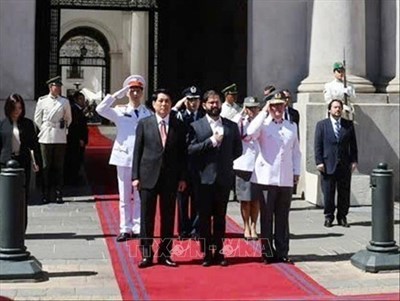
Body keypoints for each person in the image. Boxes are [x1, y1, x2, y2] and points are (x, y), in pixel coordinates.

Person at [132, 89, 187, 269]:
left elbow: (182, 155)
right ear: (154, 104)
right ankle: (147, 255)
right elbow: (137, 152)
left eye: (167, 101)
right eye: (160, 101)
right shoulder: (144, 123)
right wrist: (135, 176)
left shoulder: (179, 125)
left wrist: (182, 178)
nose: (164, 104)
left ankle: (165, 254)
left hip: (170, 179)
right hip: (148, 177)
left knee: (168, 217)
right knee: (147, 218)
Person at [188, 90, 242, 267]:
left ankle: (219, 251)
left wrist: (224, 164)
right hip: (203, 180)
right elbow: (190, 150)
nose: (214, 105)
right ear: (204, 105)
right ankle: (206, 253)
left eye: (217, 102)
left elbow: (237, 150)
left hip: (223, 179)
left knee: (220, 217)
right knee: (204, 218)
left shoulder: (231, 126)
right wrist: (211, 142)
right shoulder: (196, 126)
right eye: (211, 102)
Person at [96, 75, 152, 242]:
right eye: (132, 90)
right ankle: (124, 228)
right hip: (123, 157)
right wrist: (116, 95)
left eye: (138, 90)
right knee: (124, 195)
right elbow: (100, 109)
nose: (135, 93)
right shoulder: (120, 111)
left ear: (142, 93)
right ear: (128, 92)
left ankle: (137, 226)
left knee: (139, 195)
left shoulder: (147, 113)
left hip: (141, 158)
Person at [247, 92, 301, 264]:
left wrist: (296, 172)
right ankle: (268, 253)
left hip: (285, 178)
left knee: (283, 217)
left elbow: (296, 151)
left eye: (280, 105)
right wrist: (263, 112)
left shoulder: (291, 126)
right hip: (266, 178)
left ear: (285, 106)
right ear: (269, 107)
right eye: (273, 105)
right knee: (267, 217)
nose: (277, 109)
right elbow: (250, 132)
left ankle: (283, 251)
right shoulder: (263, 124)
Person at [314, 99, 358, 228]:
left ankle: (342, 216)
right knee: (328, 192)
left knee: (344, 192)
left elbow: (353, 145)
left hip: (344, 163)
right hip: (328, 164)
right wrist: (319, 161)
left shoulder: (348, 125)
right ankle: (329, 216)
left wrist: (354, 160)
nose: (337, 110)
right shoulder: (322, 125)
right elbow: (318, 145)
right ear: (329, 110)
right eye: (335, 107)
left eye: (339, 107)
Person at [0, 93, 40, 230]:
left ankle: (21, 228)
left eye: (20, 108)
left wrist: (36, 162)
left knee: (22, 196)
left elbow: (34, 145)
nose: (17, 111)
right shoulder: (3, 124)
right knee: (6, 197)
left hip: (22, 163)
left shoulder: (28, 124)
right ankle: (6, 228)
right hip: (5, 164)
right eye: (14, 108)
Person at [173, 85, 205, 239]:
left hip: (200, 164)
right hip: (183, 164)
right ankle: (183, 229)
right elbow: (169, 116)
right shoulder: (180, 116)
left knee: (199, 199)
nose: (193, 103)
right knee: (182, 199)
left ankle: (196, 229)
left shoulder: (204, 116)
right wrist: (178, 104)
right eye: (190, 100)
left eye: (196, 100)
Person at [34, 76, 72, 204]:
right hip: (46, 136)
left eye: (60, 86)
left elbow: (68, 118)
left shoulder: (64, 102)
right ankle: (45, 193)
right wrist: (45, 128)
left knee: (59, 167)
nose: (59, 88)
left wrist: (61, 126)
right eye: (57, 86)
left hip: (59, 135)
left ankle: (58, 193)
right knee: (46, 166)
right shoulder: (42, 101)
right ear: (51, 87)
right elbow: (37, 119)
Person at [232, 96, 261, 240]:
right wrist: (241, 113)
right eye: (249, 108)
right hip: (243, 163)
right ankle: (246, 226)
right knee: (245, 198)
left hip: (258, 164)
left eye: (254, 108)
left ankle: (254, 226)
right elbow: (232, 127)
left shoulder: (261, 120)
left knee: (256, 199)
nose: (251, 111)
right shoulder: (240, 121)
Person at [64, 91, 88, 185]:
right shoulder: (74, 110)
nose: (83, 101)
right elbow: (75, 127)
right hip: (75, 140)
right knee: (75, 159)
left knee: (78, 159)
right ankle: (73, 179)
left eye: (83, 99)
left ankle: (75, 177)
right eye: (81, 99)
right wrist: (80, 139)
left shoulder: (79, 110)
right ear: (76, 100)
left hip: (78, 140)